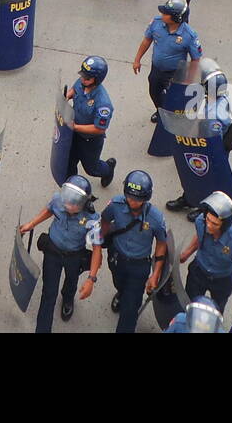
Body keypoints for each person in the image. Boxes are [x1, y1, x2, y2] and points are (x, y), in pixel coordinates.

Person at [19, 176, 102, 332]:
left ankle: (68, 298)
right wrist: (31, 224)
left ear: (83, 203)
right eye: (66, 201)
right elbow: (49, 210)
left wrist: (91, 279)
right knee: (48, 293)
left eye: (72, 204)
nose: (67, 205)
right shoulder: (59, 200)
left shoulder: (92, 219)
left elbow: (97, 249)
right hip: (53, 252)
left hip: (74, 255)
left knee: (71, 280)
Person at [90, 169, 168, 333]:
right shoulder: (116, 205)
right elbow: (104, 219)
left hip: (139, 266)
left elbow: (162, 242)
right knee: (119, 282)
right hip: (117, 256)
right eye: (129, 197)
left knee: (130, 309)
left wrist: (155, 274)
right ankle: (121, 293)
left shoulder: (156, 219)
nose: (132, 201)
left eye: (137, 199)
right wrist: (100, 240)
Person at [178, 191, 232, 322]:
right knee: (189, 308)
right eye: (208, 220)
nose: (209, 226)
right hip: (197, 272)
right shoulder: (200, 221)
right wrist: (186, 253)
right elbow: (199, 236)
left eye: (215, 224)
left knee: (214, 316)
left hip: (221, 281)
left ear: (225, 224)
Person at [131, 0, 202, 121]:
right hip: (157, 69)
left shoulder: (189, 35)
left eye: (166, 13)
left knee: (174, 98)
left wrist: (189, 79)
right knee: (154, 91)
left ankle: (172, 117)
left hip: (175, 74)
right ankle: (160, 111)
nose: (162, 14)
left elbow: (196, 59)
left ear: (176, 18)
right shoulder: (156, 23)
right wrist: (137, 59)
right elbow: (146, 41)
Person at [64, 56, 117, 186]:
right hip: (74, 133)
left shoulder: (103, 103)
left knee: (91, 169)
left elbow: (99, 128)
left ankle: (108, 169)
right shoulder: (82, 82)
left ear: (96, 79)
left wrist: (75, 127)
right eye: (82, 75)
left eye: (87, 78)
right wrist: (66, 96)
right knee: (69, 162)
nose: (83, 79)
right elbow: (74, 89)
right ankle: (72, 187)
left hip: (90, 140)